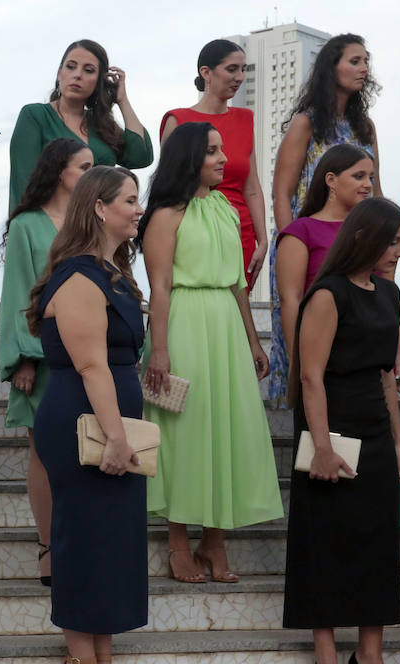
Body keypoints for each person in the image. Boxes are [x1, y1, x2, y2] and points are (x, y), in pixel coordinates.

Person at [140, 123, 284, 584]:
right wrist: (159, 349)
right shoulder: (166, 213)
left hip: (224, 323)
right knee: (185, 431)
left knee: (228, 428)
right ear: (189, 160)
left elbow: (239, 281)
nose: (224, 159)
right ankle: (178, 542)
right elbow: (158, 285)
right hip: (183, 323)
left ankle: (215, 543)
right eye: (213, 152)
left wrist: (253, 339)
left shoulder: (223, 205)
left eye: (223, 150)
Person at [29, 165, 148, 664]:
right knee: (81, 538)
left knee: (110, 542)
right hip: (82, 419)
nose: (137, 208)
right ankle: (78, 662)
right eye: (129, 199)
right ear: (99, 207)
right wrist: (116, 436)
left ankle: (101, 659)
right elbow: (91, 367)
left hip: (111, 419)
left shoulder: (114, 272)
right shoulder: (79, 276)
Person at [284, 198, 400, 664]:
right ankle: (325, 654)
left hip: (376, 428)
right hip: (331, 428)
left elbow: (386, 374)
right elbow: (310, 376)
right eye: (394, 242)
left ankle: (369, 655)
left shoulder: (387, 293)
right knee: (327, 540)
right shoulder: (327, 295)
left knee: (377, 542)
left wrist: (398, 441)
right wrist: (320, 447)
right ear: (364, 238)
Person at [0, 137, 94, 585]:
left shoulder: (89, 224)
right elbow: (17, 291)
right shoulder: (26, 226)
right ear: (61, 172)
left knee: (84, 453)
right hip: (43, 357)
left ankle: (80, 544)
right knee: (43, 452)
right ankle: (48, 546)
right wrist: (24, 357)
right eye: (85, 166)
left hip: (90, 353)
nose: (92, 174)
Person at [268, 33, 382, 406]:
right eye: (354, 61)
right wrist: (292, 244)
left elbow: (375, 192)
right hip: (307, 247)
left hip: (356, 247)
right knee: (303, 342)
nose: (363, 68)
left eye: (366, 61)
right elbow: (282, 192)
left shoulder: (365, 126)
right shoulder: (307, 124)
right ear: (330, 67)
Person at [160, 39, 267, 289]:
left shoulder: (245, 119)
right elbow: (167, 186)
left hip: (241, 233)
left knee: (235, 313)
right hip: (194, 232)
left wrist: (263, 240)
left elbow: (252, 187)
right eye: (232, 69)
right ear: (206, 73)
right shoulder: (178, 120)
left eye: (244, 69)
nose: (239, 77)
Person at [274, 144, 376, 400]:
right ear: (331, 180)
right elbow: (290, 300)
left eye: (371, 178)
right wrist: (297, 362)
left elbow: (383, 292)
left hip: (368, 352)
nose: (368, 184)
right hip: (321, 352)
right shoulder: (301, 231)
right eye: (359, 176)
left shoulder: (372, 232)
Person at [8, 39, 152, 208]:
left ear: (99, 80)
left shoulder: (101, 125)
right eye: (70, 66)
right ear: (59, 72)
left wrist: (122, 100)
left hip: (102, 227)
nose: (77, 75)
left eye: (88, 70)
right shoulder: (35, 115)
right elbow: (23, 181)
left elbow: (141, 156)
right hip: (55, 227)